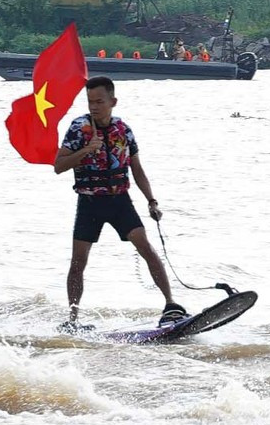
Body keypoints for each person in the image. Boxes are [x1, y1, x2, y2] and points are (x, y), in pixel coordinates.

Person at [52, 76, 185, 331]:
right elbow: (59, 166)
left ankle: (170, 304)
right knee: (78, 261)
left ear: (112, 101)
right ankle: (72, 320)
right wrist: (86, 150)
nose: (94, 107)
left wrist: (152, 201)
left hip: (120, 201)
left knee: (145, 247)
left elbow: (137, 168)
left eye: (99, 101)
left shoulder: (123, 129)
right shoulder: (79, 129)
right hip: (90, 202)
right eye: (90, 102)